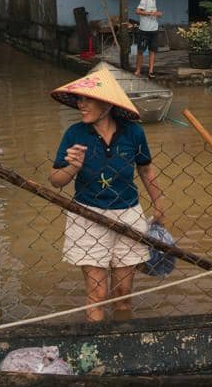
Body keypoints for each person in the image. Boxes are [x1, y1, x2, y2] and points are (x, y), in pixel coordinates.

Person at [48, 69, 167, 321]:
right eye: (79, 99)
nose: (81, 104)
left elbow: (145, 169)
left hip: (128, 213)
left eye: (87, 99)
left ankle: (121, 335)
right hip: (87, 215)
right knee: (97, 293)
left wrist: (159, 204)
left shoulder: (133, 133)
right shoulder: (75, 134)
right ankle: (97, 339)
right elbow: (56, 180)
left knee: (123, 294)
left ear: (107, 103)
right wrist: (72, 167)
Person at [134, 0, 163, 78]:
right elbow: (137, 11)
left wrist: (157, 14)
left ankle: (151, 71)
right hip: (144, 30)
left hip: (154, 29)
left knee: (152, 50)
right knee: (140, 51)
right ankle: (138, 70)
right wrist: (150, 13)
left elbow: (153, 13)